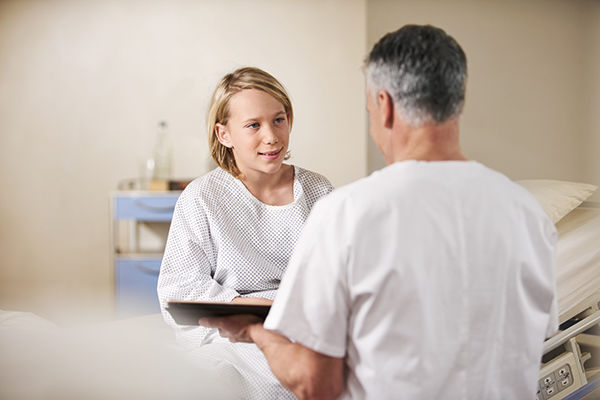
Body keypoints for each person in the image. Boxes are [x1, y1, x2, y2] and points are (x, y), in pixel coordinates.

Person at [199, 25, 558, 399]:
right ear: (457, 101)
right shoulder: (528, 214)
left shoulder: (347, 213)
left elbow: (314, 383)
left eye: (369, 108)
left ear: (384, 106)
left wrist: (256, 333)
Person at [157, 66, 333, 399]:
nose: (271, 136)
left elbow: (339, 277)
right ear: (224, 134)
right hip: (233, 340)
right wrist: (248, 307)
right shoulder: (202, 198)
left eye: (279, 120)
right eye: (253, 125)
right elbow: (180, 288)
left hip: (305, 332)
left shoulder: (319, 191)